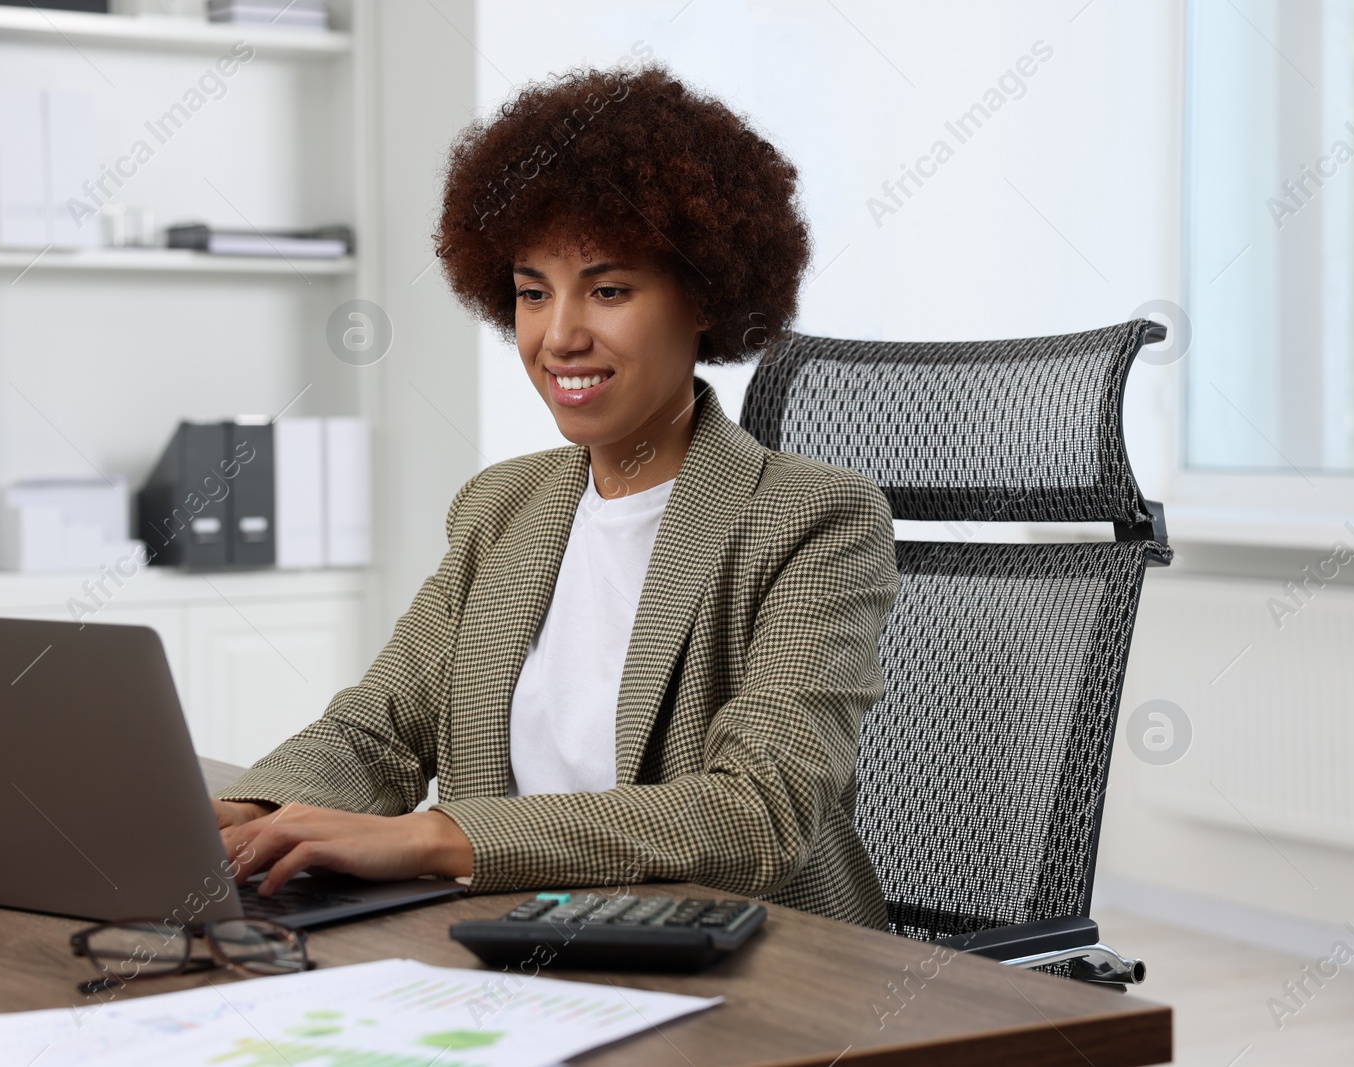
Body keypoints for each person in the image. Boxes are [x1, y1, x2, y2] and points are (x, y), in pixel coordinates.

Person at [213, 64, 899, 927]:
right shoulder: (502, 507)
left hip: (763, 970)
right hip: (518, 942)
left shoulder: (815, 519)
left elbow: (757, 814)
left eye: (608, 290)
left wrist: (436, 837)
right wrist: (244, 813)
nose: (559, 335)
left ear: (704, 300)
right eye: (532, 293)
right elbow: (378, 729)